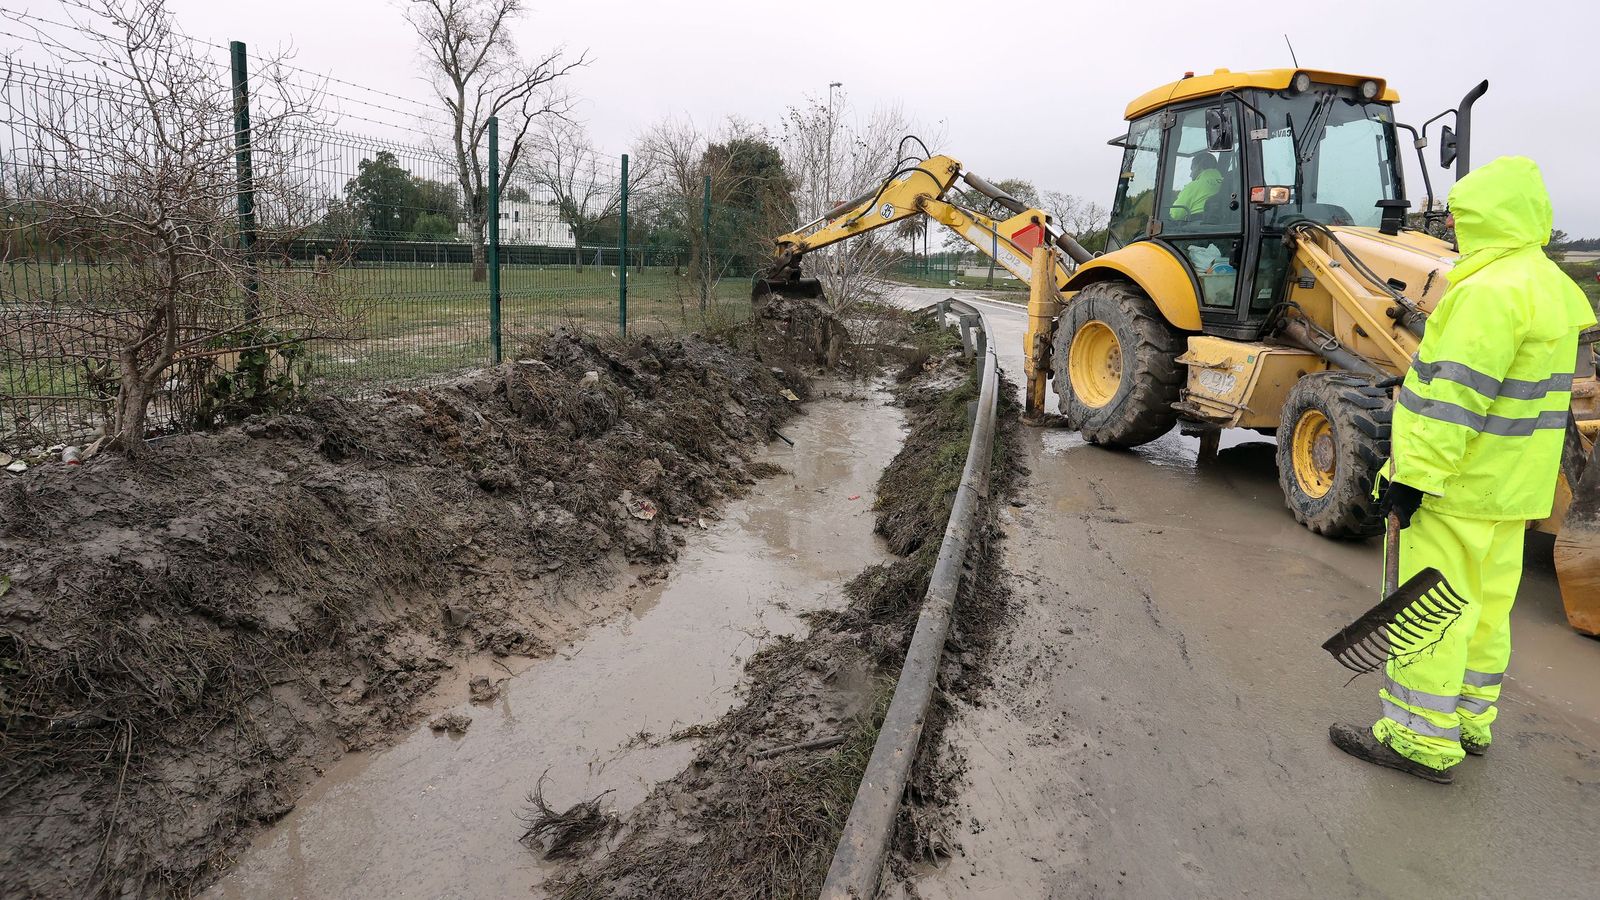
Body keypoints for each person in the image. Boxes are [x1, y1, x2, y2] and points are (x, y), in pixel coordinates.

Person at [1330, 156, 1597, 784]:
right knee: (1483, 609)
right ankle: (1470, 721)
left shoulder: (1486, 293)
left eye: (1461, 212)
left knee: (1429, 610)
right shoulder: (1552, 288)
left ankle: (1418, 738)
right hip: (1512, 490)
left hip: (1456, 485)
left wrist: (1411, 478)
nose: (1451, 222)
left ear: (1487, 216)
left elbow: (1453, 401)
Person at [1169, 152, 1222, 221]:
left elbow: (1176, 215)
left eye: (1192, 169)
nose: (1190, 174)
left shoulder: (1194, 186)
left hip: (1198, 228)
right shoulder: (1225, 182)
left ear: (1199, 167)